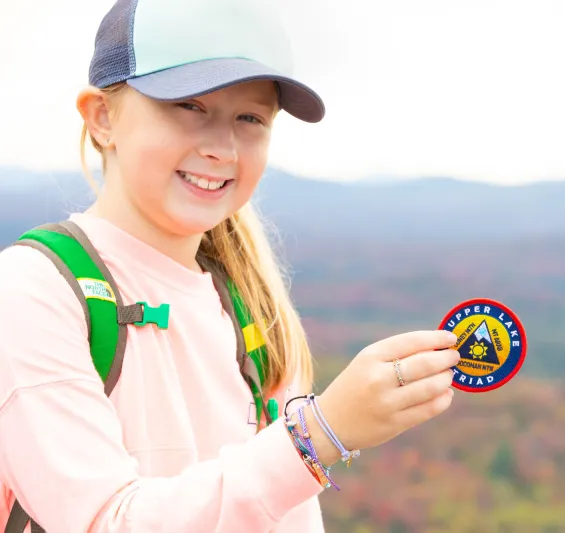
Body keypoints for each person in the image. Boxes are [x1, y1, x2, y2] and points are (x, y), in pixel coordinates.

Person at [0, 0, 460, 531]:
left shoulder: (250, 307)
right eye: (189, 106)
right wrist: (318, 433)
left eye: (250, 118)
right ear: (103, 117)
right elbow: (106, 521)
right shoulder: (34, 292)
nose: (221, 147)